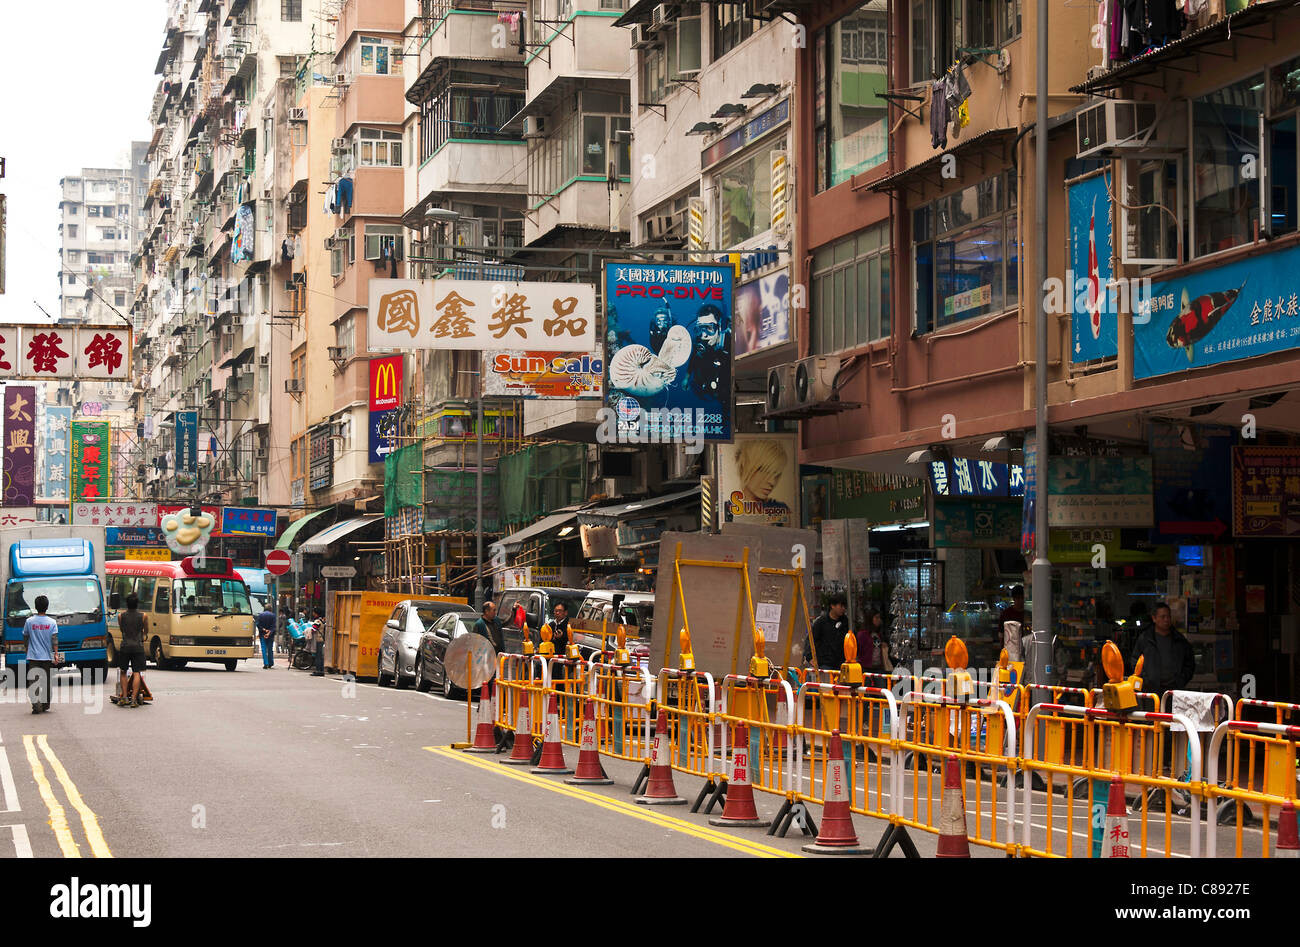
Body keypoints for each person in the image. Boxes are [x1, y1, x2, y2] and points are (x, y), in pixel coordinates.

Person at [1129, 602, 1194, 695]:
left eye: (1168, 616)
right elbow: (1135, 660)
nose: (1166, 620)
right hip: (1150, 691)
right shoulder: (1145, 639)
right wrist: (1146, 680)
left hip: (1174, 691)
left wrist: (1181, 680)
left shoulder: (1179, 639)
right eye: (1163, 617)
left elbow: (1189, 663)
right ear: (1154, 618)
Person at [22, 595, 59, 714]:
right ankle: (45, 704)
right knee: (47, 682)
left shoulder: (29, 621)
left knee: (34, 682)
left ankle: (36, 705)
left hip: (33, 657)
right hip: (47, 657)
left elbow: (25, 636)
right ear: (47, 607)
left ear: (35, 607)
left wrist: (26, 648)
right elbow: (54, 639)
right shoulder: (52, 622)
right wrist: (56, 654)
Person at [116, 594, 150, 708]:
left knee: (123, 671)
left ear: (127, 604)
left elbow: (122, 629)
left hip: (125, 646)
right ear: (137, 604)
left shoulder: (121, 616)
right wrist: (143, 636)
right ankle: (134, 700)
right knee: (136, 673)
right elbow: (146, 631)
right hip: (137, 647)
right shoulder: (143, 616)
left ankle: (124, 697)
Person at [806, 592, 849, 671]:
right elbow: (810, 639)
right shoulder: (821, 622)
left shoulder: (846, 622)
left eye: (845, 606)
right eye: (841, 606)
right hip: (825, 663)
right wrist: (810, 657)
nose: (843, 608)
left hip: (842, 663)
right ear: (832, 606)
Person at [857, 609, 892, 674]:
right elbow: (859, 650)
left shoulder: (879, 633)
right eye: (876, 617)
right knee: (866, 683)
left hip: (879, 666)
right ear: (870, 619)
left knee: (881, 683)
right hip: (866, 667)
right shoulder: (862, 634)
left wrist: (883, 645)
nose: (879, 620)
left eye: (879, 618)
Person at [256, 604, 277, 669]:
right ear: (271, 609)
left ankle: (266, 663)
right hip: (270, 635)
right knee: (270, 649)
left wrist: (264, 630)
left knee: (264, 649)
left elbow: (258, 625)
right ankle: (271, 663)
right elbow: (274, 626)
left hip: (262, 634)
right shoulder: (273, 615)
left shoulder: (260, 615)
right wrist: (269, 632)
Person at [311, 608, 326, 676]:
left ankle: (319, 671)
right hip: (321, 639)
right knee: (320, 656)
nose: (313, 614)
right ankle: (320, 670)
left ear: (316, 613)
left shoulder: (317, 621)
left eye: (313, 612)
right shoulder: (322, 620)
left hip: (319, 639)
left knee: (318, 656)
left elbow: (313, 629)